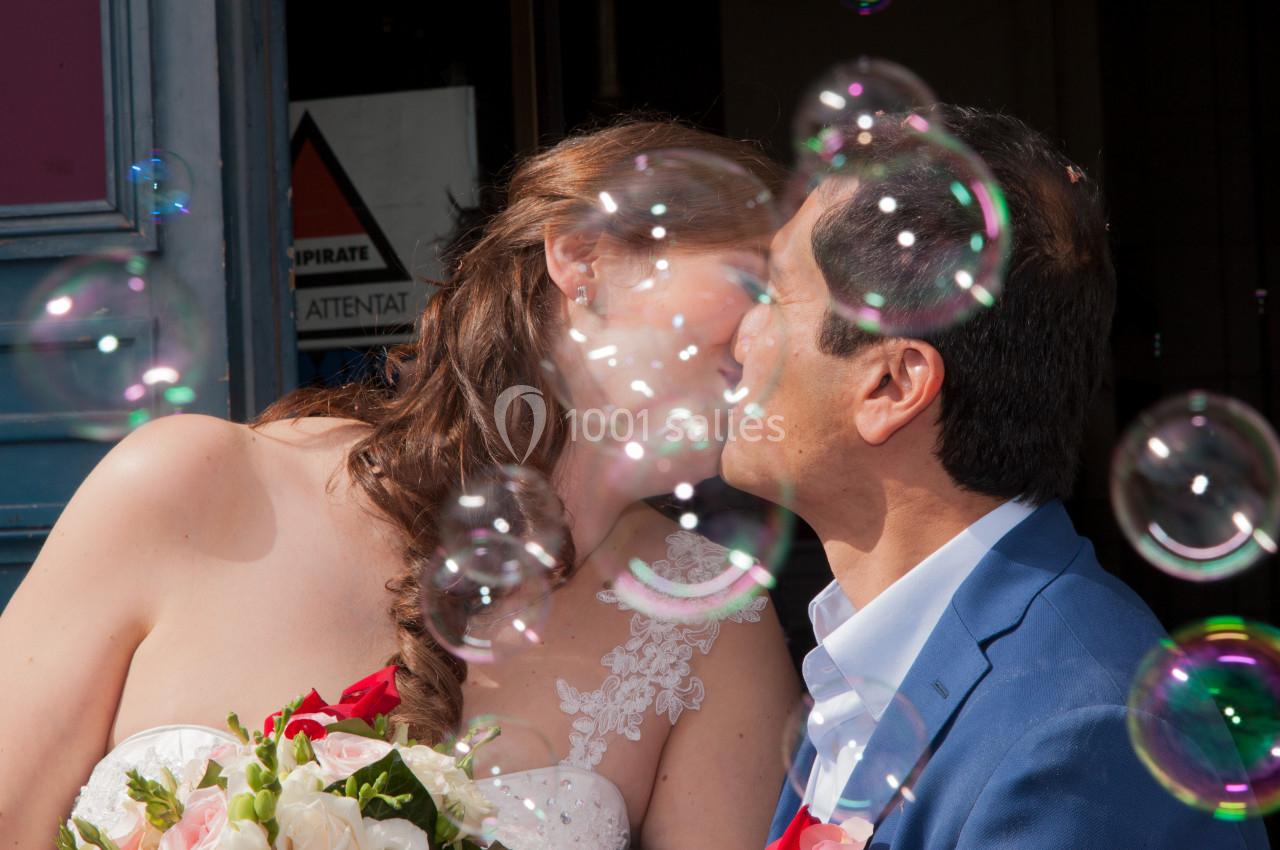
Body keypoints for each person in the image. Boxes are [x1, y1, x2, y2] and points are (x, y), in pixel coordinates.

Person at [0, 120, 798, 850]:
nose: (775, 337)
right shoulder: (191, 485)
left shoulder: (718, 623)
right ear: (584, 258)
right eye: (754, 284)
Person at [723, 105, 1270, 848]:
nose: (738, 336)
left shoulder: (1080, 735)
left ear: (890, 384)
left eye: (773, 296)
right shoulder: (864, 660)